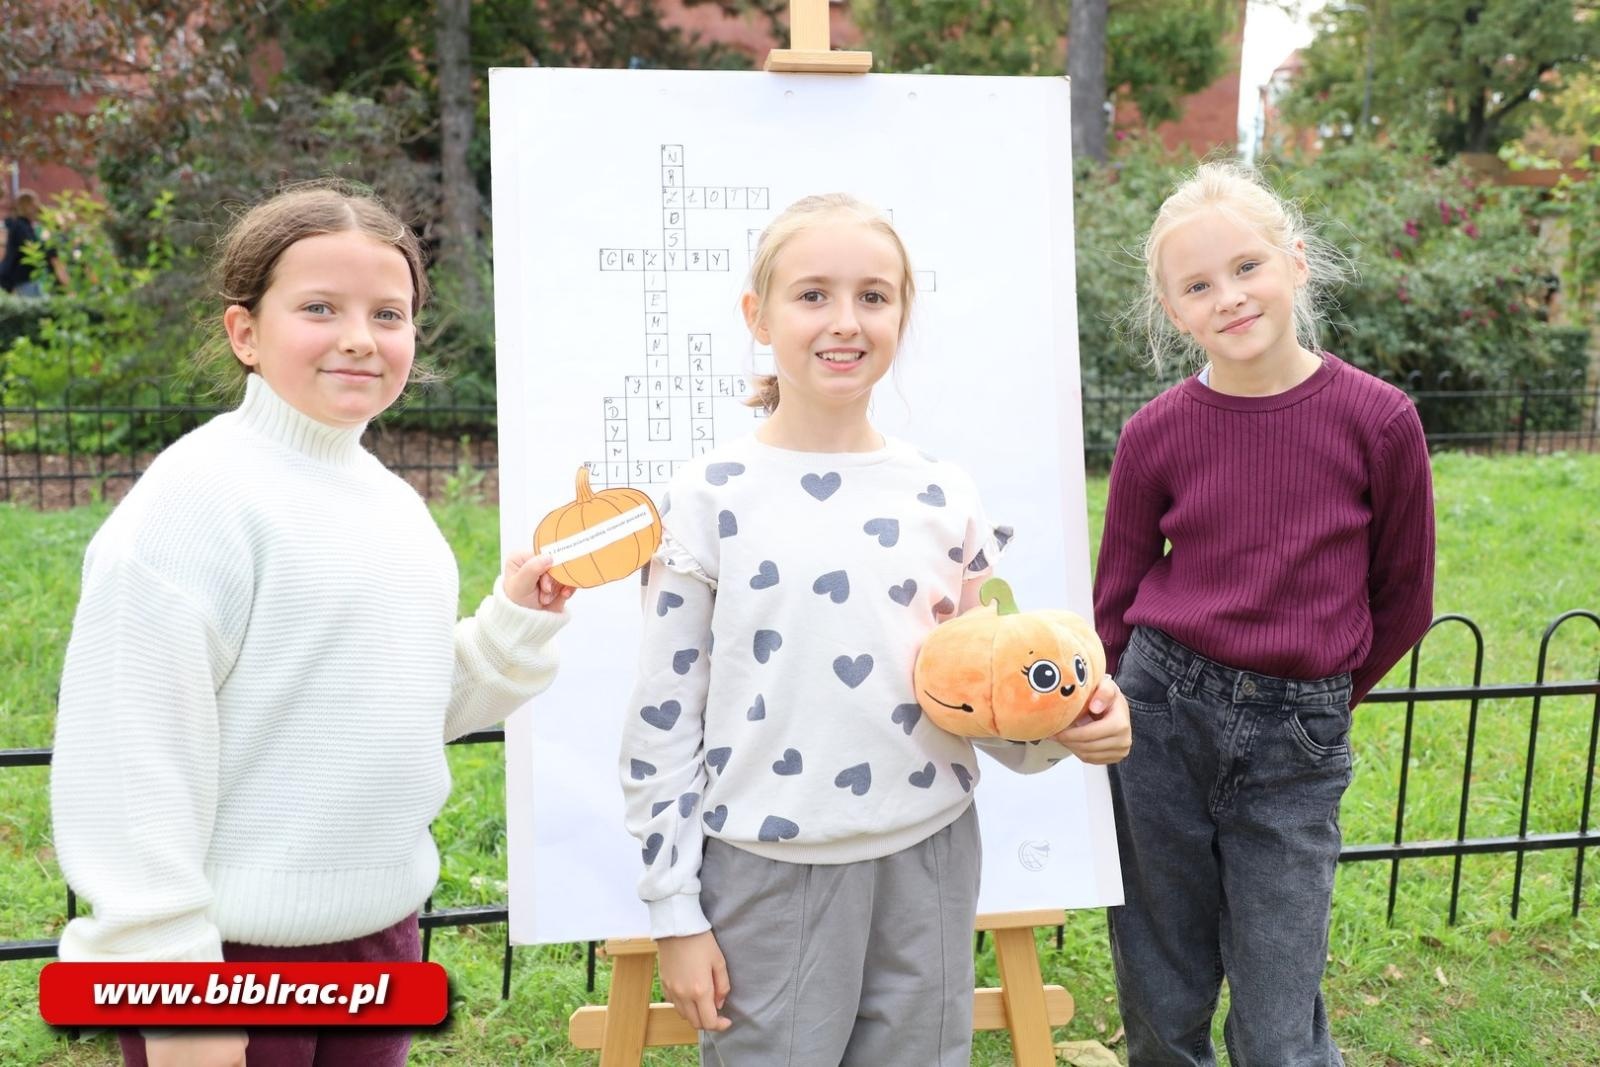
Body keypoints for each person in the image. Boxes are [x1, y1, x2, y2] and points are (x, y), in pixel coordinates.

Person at [50, 180, 575, 1067]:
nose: (361, 338)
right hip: (223, 963)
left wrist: (509, 628)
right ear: (244, 332)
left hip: (380, 941)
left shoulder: (393, 504)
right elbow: (131, 762)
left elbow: (390, 703)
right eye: (320, 308)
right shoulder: (193, 503)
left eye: (390, 312)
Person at [618, 192, 1132, 1066]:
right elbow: (663, 718)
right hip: (765, 866)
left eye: (874, 296)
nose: (844, 321)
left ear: (903, 312)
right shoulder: (705, 500)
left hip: (928, 857)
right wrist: (674, 909)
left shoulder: (942, 493)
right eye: (813, 294)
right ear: (758, 316)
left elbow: (977, 687)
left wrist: (1070, 729)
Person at [1094, 161, 1435, 1066]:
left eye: (1247, 267)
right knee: (1162, 979)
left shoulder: (1379, 420)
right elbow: (1115, 599)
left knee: (1280, 1009)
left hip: (1300, 739)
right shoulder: (1155, 433)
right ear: (1174, 311)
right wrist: (1113, 705)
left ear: (1295, 264)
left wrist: (1318, 696)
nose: (1229, 297)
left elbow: (1405, 596)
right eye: (1198, 285)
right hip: (1162, 719)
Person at [1, 189, 64, 296]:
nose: (37, 209)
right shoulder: (20, 227)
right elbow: (34, 248)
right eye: (35, 205)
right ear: (27, 206)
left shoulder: (24, 226)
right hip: (21, 280)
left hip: (26, 279)